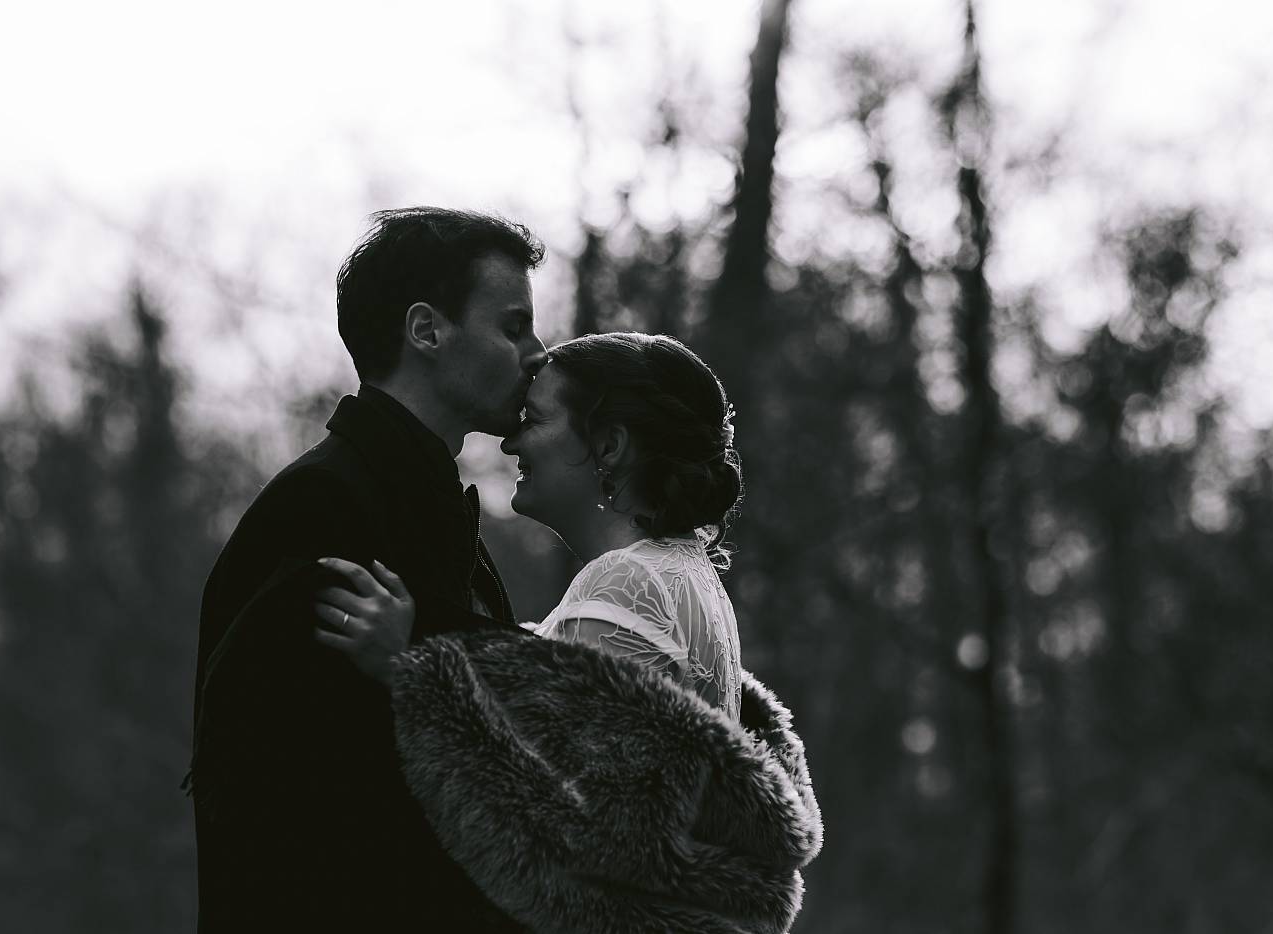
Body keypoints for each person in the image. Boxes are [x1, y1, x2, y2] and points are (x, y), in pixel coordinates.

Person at [315, 333, 823, 933]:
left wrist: (412, 675)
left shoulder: (624, 585)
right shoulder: (684, 573)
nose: (510, 440)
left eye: (534, 419)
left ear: (607, 445)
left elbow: (567, 849)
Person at [186, 207, 547, 933]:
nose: (537, 353)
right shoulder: (323, 509)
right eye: (512, 326)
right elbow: (283, 799)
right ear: (426, 331)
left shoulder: (432, 508)